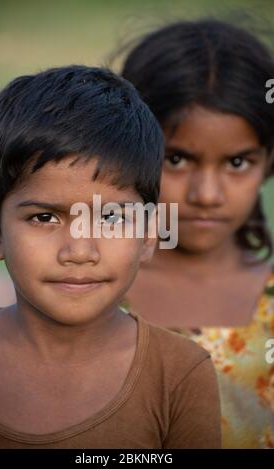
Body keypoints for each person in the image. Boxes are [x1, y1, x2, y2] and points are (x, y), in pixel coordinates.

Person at [0, 64, 221, 448]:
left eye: (110, 218)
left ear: (148, 235)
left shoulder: (180, 373)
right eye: (44, 217)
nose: (79, 251)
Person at [121, 19, 274, 448]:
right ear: (126, 150)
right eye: (177, 159)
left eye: (238, 163)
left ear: (269, 161)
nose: (207, 195)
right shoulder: (86, 294)